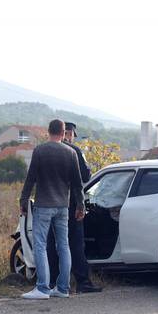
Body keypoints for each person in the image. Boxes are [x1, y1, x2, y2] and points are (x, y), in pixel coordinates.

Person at [20, 119, 85, 299]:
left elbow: (31, 178)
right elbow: (78, 184)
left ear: (48, 131)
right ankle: (63, 288)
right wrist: (81, 205)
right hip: (63, 206)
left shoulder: (40, 151)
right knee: (63, 245)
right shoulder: (71, 153)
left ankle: (42, 288)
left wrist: (23, 200)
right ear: (64, 133)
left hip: (44, 205)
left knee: (40, 245)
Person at [47, 122, 102, 293]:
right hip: (70, 204)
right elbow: (84, 177)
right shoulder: (75, 152)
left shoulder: (44, 150)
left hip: (48, 203)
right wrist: (80, 205)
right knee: (76, 244)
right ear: (67, 133)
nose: (71, 137)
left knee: (52, 244)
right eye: (71, 134)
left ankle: (52, 283)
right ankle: (82, 282)